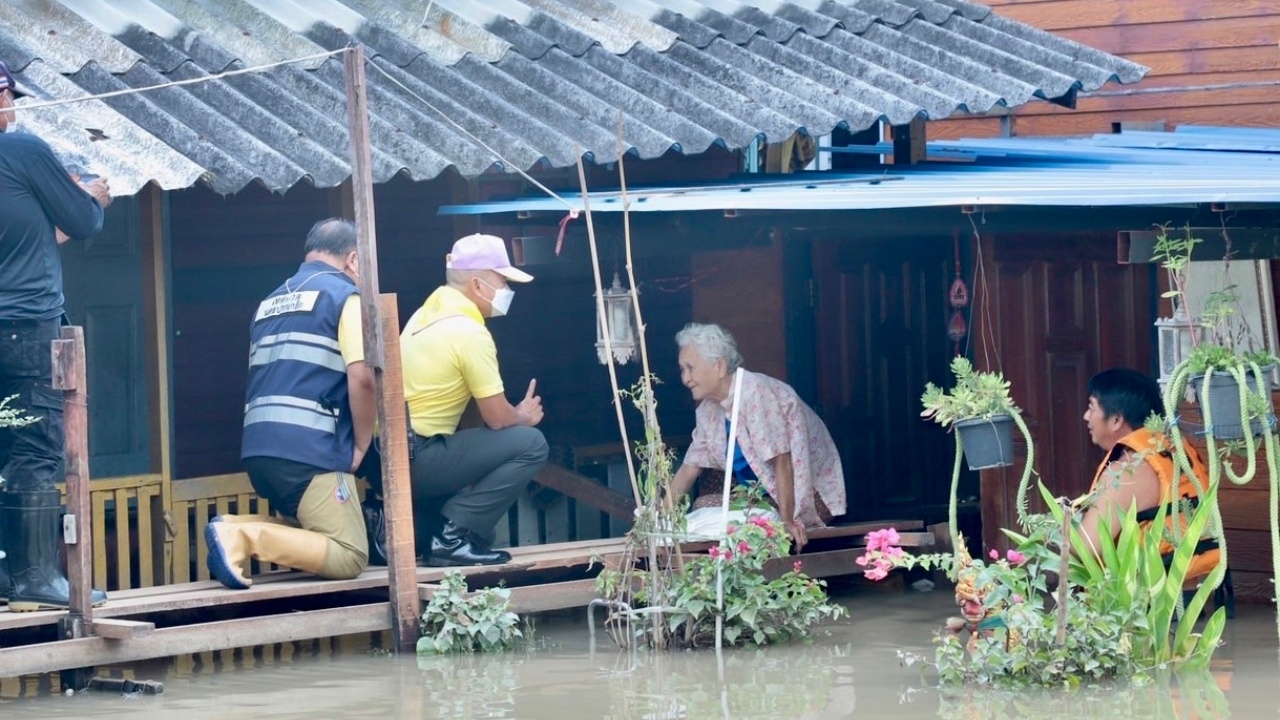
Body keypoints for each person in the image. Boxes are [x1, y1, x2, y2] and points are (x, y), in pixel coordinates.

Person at [205, 218, 375, 589]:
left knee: (313, 530)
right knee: (350, 554)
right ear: (353, 260)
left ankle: (232, 528)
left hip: (260, 447)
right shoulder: (344, 296)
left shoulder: (270, 301)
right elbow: (362, 377)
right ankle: (244, 538)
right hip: (310, 450)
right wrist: (362, 441)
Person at [0, 60, 111, 611]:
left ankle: (8, 576)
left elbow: (26, 238)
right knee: (33, 448)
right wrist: (91, 194)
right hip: (23, 327)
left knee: (4, 447)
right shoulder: (20, 149)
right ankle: (35, 577)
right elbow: (83, 220)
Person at [399, 233, 548, 567]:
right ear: (479, 286)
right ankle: (450, 537)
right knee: (532, 443)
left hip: (393, 455)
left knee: (484, 534)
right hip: (420, 457)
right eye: (503, 282)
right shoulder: (469, 331)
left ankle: (449, 531)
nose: (508, 291)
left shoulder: (422, 316)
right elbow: (497, 418)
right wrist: (523, 415)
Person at [667, 323, 847, 551]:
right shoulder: (708, 409)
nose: (686, 379)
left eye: (690, 368)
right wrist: (656, 522)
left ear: (719, 366)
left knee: (731, 520)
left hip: (807, 496)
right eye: (683, 370)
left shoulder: (755, 392)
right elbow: (689, 468)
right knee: (704, 505)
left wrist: (787, 521)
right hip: (763, 498)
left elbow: (783, 461)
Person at [1076, 367, 1220, 586]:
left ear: (1115, 420)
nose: (1086, 417)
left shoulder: (1126, 471)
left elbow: (1085, 548)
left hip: (1148, 606)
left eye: (1091, 407)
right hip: (1192, 589)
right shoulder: (1175, 451)